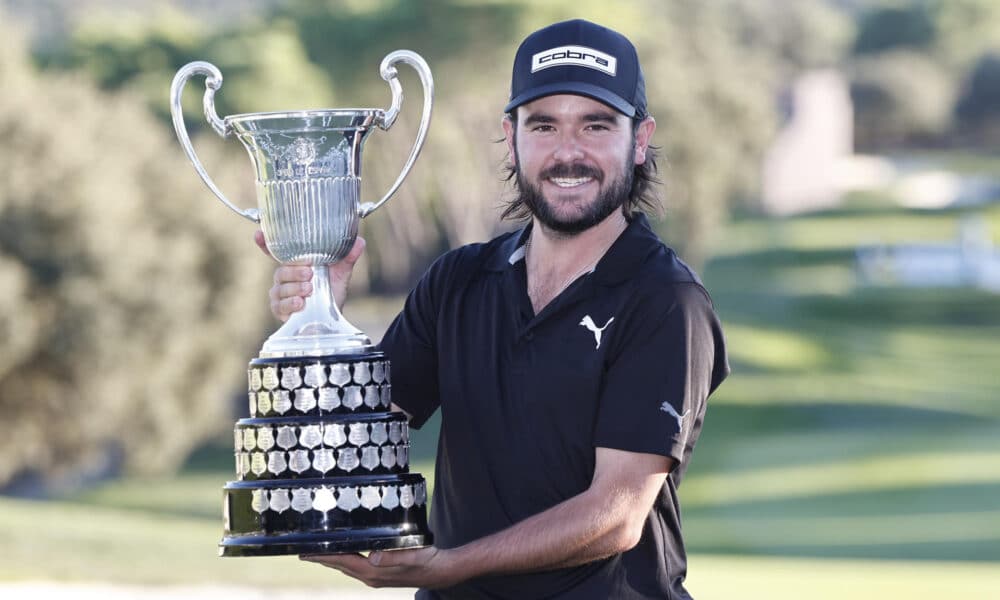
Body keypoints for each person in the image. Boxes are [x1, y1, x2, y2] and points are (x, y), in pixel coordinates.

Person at [260, 19, 729, 600]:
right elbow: (354, 444)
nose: (568, 152)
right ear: (511, 137)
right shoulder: (458, 280)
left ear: (638, 139)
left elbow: (616, 515)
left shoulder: (664, 300)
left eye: (596, 125)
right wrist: (315, 321)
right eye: (544, 125)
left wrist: (448, 566)